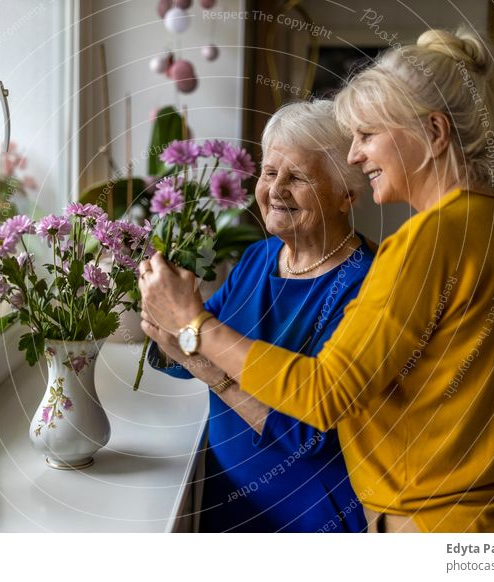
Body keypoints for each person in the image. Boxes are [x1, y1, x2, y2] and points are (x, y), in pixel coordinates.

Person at [138, 27, 494, 533]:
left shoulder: (423, 245)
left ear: (433, 132)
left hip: (443, 526)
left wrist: (194, 325)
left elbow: (321, 396)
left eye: (367, 134)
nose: (358, 156)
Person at [147, 100, 374, 532]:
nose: (276, 189)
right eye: (270, 173)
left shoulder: (364, 285)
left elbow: (306, 436)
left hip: (307, 520)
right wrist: (162, 309)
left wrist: (198, 354)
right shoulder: (259, 257)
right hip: (227, 504)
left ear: (346, 194)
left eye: (298, 177)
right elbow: (183, 349)